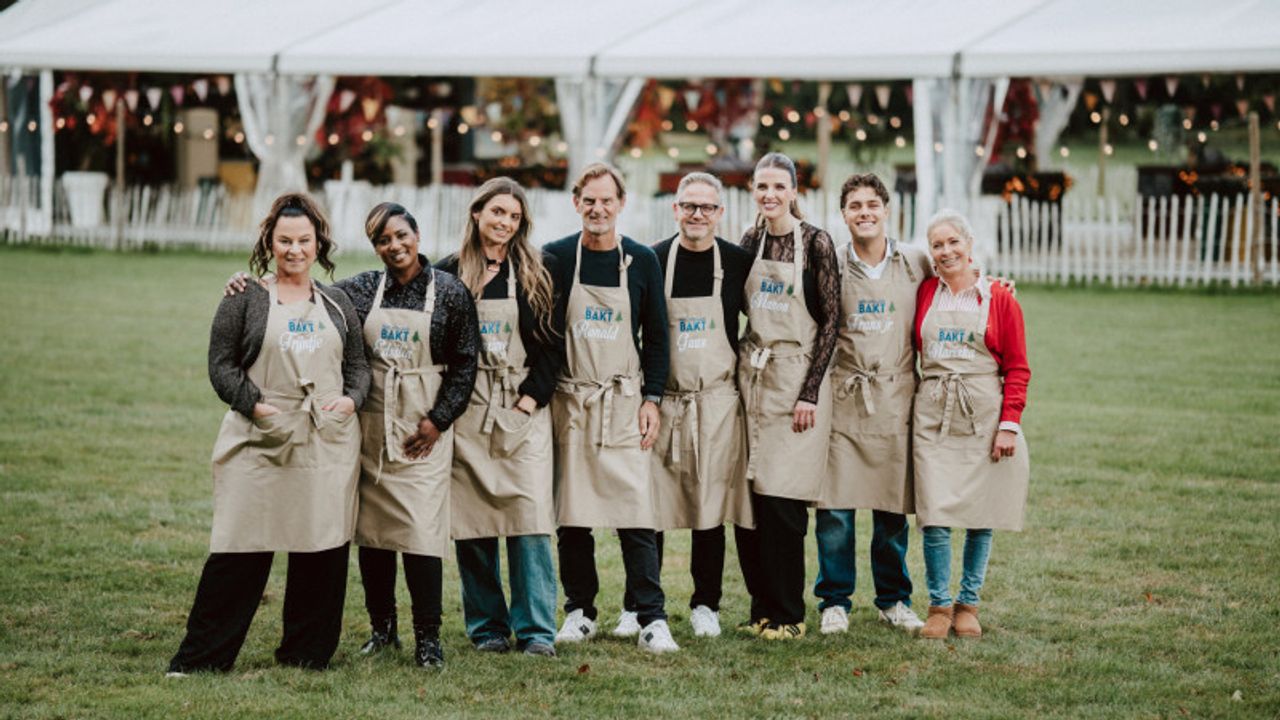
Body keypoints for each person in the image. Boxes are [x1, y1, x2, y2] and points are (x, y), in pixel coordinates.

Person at [223, 202, 479, 668]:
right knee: (373, 533)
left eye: (401, 235)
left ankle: (429, 638)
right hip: (369, 424)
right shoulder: (358, 290)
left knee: (422, 533)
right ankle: (383, 629)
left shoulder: (449, 292)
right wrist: (249, 287)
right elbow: (304, 295)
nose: (394, 246)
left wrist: (438, 420)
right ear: (375, 246)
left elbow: (465, 364)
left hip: (420, 428)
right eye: (383, 240)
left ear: (416, 235)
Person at [169, 193, 369, 675]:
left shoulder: (338, 300)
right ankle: (202, 659)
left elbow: (358, 365)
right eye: (285, 240)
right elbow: (220, 366)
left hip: (324, 439)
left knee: (320, 546)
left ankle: (306, 652)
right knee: (240, 547)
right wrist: (255, 406)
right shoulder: (245, 297)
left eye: (304, 240)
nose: (294, 249)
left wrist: (350, 401)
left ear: (318, 242)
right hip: (260, 438)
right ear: (269, 241)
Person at [543, 163, 678, 654]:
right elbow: (543, 334)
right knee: (572, 514)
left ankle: (651, 617)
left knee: (635, 511)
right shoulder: (556, 257)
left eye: (606, 200)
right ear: (576, 202)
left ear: (621, 203)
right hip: (572, 401)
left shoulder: (641, 260)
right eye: (588, 200)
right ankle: (579, 611)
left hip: (623, 401)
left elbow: (658, 337)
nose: (597, 209)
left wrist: (652, 399)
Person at [436, 178, 560, 658]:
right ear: (476, 214)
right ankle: (487, 626)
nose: (504, 223)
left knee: (529, 521)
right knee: (474, 522)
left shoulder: (537, 271)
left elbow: (553, 346)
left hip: (519, 406)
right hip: (467, 410)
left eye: (513, 216)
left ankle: (536, 631)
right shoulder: (448, 272)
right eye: (497, 212)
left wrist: (529, 401)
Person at [632, 172, 753, 639]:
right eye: (689, 206)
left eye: (706, 207)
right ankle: (640, 605)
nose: (697, 214)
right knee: (651, 507)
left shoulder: (738, 262)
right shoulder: (652, 259)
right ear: (675, 209)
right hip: (663, 400)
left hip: (717, 402)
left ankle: (707, 604)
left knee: (709, 508)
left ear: (720, 213)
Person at [814, 174, 929, 636]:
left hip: (896, 399)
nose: (864, 212)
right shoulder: (830, 264)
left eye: (872, 205)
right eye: (854, 206)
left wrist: (995, 284)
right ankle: (834, 601)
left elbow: (958, 278)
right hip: (844, 400)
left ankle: (894, 599)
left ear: (887, 210)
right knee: (835, 511)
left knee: (890, 511)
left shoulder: (916, 262)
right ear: (843, 214)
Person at [734, 153, 839, 640]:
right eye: (761, 186)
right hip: (752, 378)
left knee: (783, 501)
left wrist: (810, 393)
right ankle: (760, 608)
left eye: (779, 186)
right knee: (750, 502)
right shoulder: (751, 240)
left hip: (797, 379)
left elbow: (832, 322)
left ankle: (789, 614)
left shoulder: (816, 242)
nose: (769, 195)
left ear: (795, 190)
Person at [912, 210, 1030, 640]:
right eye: (937, 246)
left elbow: (1017, 367)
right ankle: (939, 606)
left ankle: (968, 604)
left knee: (983, 511)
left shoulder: (999, 297)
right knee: (935, 512)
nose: (945, 252)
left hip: (983, 414)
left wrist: (1008, 424)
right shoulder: (926, 292)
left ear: (969, 245)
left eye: (952, 243)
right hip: (933, 416)